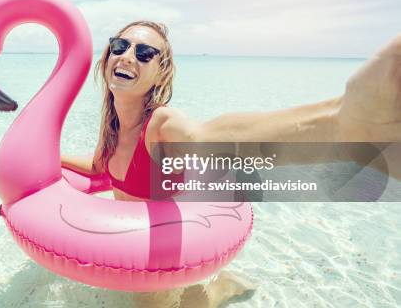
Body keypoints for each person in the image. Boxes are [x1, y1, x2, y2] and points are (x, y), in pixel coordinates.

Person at [61, 21, 401, 306]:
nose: (128, 56)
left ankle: (222, 288)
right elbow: (98, 169)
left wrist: (339, 122)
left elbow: (212, 136)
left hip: (158, 256)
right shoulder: (113, 126)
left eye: (145, 53)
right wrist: (45, 157)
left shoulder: (162, 126)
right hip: (131, 247)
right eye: (120, 45)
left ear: (159, 74)